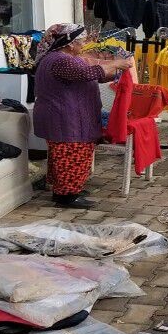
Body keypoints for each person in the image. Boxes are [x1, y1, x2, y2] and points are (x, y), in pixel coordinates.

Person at [33, 24, 132, 208]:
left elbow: (90, 75)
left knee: (66, 156)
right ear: (70, 43)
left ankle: (65, 191)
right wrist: (116, 63)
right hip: (64, 119)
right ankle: (67, 196)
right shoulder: (60, 60)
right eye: (82, 41)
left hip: (65, 117)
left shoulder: (64, 59)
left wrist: (115, 73)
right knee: (71, 156)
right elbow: (85, 73)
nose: (85, 44)